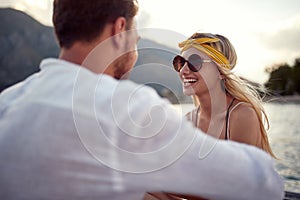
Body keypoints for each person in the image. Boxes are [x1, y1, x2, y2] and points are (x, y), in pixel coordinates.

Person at [0, 0, 283, 199]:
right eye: (135, 37)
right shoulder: (127, 109)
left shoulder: (7, 102)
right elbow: (263, 183)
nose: (184, 69)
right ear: (118, 30)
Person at [173, 32, 276, 157]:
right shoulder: (188, 121)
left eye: (194, 62)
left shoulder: (242, 116)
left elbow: (245, 175)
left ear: (221, 72)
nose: (183, 71)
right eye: (180, 62)